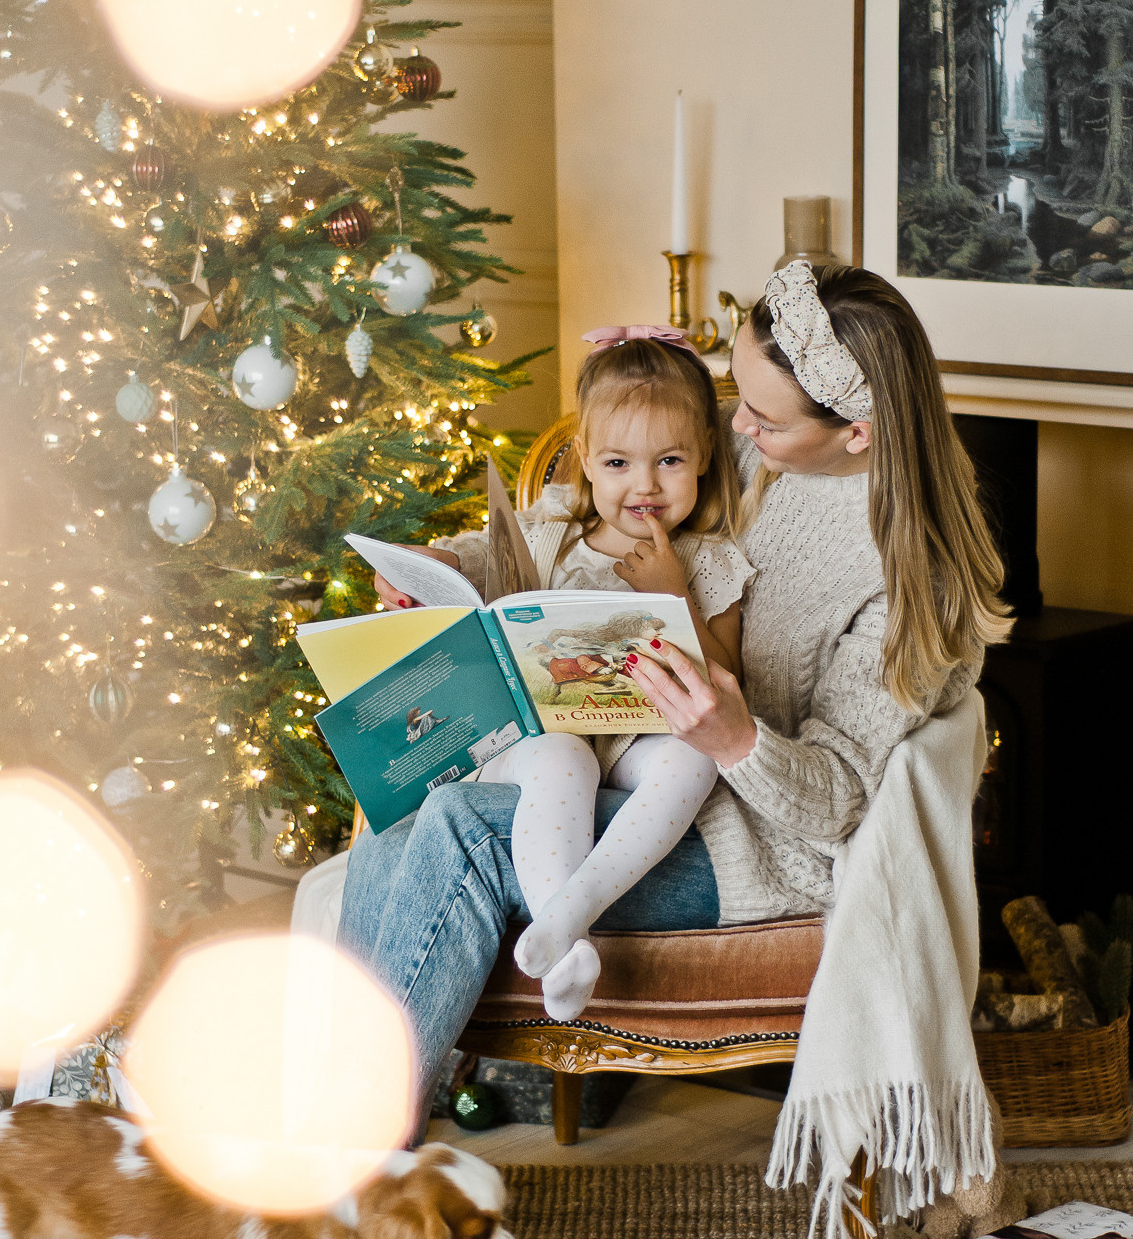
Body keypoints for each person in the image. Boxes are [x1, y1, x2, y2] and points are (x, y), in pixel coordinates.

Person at [334, 263, 1011, 1129]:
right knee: (403, 812)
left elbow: (839, 805)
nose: (737, 425)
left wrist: (735, 738)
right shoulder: (752, 444)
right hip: (615, 766)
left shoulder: (914, 577)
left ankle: (347, 1151)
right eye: (740, 398)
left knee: (464, 830)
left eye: (762, 416)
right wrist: (450, 568)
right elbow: (572, 510)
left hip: (749, 840)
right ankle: (332, 1117)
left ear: (858, 433)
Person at [376, 326, 753, 1021]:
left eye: (669, 460)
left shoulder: (710, 560)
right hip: (541, 738)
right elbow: (467, 555)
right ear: (585, 459)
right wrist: (423, 565)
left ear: (704, 452)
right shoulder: (553, 530)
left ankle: (574, 908)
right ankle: (566, 937)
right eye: (617, 463)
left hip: (639, 742)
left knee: (696, 761)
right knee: (562, 761)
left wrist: (675, 596)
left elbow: (726, 685)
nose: (643, 485)